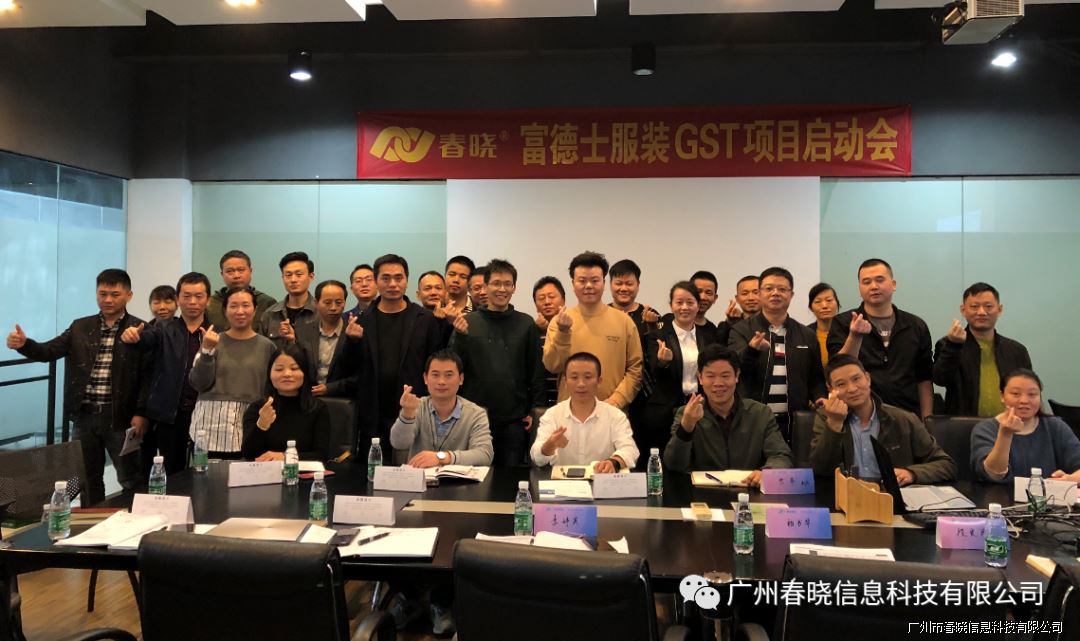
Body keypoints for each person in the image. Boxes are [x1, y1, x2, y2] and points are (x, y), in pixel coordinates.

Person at [7, 269, 150, 506]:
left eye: (115, 294)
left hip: (121, 416)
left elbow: (148, 376)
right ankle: (93, 523)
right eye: (103, 294)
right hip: (84, 415)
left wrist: (141, 413)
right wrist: (24, 345)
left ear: (129, 295)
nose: (108, 300)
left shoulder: (140, 329)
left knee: (130, 478)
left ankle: (135, 522)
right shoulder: (81, 326)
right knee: (88, 479)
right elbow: (49, 351)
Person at [341, 253, 444, 458]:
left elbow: (435, 365)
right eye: (386, 278)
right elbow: (348, 369)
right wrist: (351, 342)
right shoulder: (362, 320)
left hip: (413, 408)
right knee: (373, 470)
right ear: (376, 281)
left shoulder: (425, 319)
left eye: (399, 278)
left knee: (413, 468)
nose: (393, 284)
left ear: (407, 280)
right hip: (373, 412)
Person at [449, 259, 544, 466]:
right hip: (474, 418)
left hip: (514, 421)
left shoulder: (526, 323)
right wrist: (460, 337)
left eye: (508, 284)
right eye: (496, 283)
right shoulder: (468, 322)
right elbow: (453, 369)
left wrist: (535, 410)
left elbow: (536, 371)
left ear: (514, 287)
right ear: (485, 286)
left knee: (509, 479)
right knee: (473, 478)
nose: (502, 289)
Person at [810, 354, 956, 485]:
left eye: (856, 379)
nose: (852, 389)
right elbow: (820, 470)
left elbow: (946, 465)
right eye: (841, 384)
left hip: (891, 497)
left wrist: (911, 473)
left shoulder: (902, 419)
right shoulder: (827, 417)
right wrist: (835, 424)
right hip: (845, 498)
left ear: (868, 378)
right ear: (830, 389)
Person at [121, 272, 212, 477]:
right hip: (171, 415)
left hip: (206, 414)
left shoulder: (217, 332)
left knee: (205, 472)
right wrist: (133, 337)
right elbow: (146, 339)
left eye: (198, 296)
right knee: (172, 473)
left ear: (208, 299)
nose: (192, 302)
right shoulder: (162, 329)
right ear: (178, 299)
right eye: (186, 296)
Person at [664, 345, 793, 483]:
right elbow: (673, 465)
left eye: (725, 376)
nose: (718, 383)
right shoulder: (687, 413)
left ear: (736, 376)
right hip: (703, 492)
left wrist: (767, 473)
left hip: (749, 489)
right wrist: (687, 426)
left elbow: (781, 456)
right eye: (710, 376)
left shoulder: (760, 413)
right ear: (700, 378)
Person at [728, 267, 826, 444]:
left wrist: (820, 397)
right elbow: (734, 370)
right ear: (759, 293)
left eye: (782, 289)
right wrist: (752, 350)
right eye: (769, 288)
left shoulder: (807, 335)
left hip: (794, 422)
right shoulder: (741, 330)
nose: (775, 293)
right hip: (752, 421)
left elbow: (816, 378)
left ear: (791, 295)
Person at [827, 258, 934, 418]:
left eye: (879, 280)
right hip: (859, 416)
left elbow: (924, 379)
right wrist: (855, 336)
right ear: (860, 288)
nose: (874, 286)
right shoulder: (843, 323)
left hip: (907, 416)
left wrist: (926, 420)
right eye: (866, 282)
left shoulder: (915, 326)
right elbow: (837, 369)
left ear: (893, 284)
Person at [542, 251, 643, 411]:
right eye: (582, 280)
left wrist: (616, 401)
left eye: (595, 280)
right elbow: (552, 366)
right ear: (573, 284)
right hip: (568, 413)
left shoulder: (624, 321)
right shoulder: (559, 322)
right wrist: (563, 333)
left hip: (612, 413)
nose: (588, 286)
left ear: (604, 283)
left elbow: (635, 369)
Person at [189, 287, 277, 458]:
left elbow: (273, 387)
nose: (240, 311)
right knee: (207, 475)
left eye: (245, 305)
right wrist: (207, 350)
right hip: (209, 423)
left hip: (250, 421)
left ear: (255, 310)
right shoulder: (212, 340)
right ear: (225, 310)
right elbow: (198, 383)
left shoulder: (268, 347)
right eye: (234, 306)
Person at [933, 282, 1032, 417]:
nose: (981, 312)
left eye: (988, 306)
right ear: (963, 310)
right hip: (964, 424)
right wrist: (954, 346)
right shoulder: (948, 344)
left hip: (1010, 423)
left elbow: (1029, 388)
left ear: (999, 309)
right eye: (974, 306)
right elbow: (941, 379)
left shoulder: (1016, 350)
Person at [531, 352, 639, 471]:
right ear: (565, 382)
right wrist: (549, 445)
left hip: (601, 479)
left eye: (588, 377)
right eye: (574, 377)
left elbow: (630, 450)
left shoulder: (615, 416)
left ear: (599, 381)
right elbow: (537, 458)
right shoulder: (552, 415)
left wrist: (614, 462)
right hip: (563, 481)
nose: (581, 384)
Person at [971, 369, 1080, 484]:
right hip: (999, 494)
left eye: (1032, 394)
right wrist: (1005, 434)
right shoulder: (986, 429)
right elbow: (993, 474)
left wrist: (1070, 479)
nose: (1024, 400)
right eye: (1015, 394)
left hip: (1046, 494)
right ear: (1002, 396)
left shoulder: (1055, 426)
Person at [641, 281, 711, 457]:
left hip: (698, 408)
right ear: (671, 305)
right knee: (664, 460)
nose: (684, 307)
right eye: (679, 302)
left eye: (690, 302)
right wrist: (663, 362)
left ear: (698, 306)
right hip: (665, 412)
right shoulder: (658, 336)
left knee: (695, 458)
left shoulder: (707, 337)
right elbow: (654, 372)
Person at [390, 349, 494, 467]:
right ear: (425, 378)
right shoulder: (415, 407)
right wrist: (407, 414)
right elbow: (398, 444)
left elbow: (485, 454)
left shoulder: (476, 413)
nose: (441, 381)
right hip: (419, 477)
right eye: (435, 375)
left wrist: (443, 457)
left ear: (461, 379)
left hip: (458, 478)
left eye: (449, 375)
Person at [242, 344, 330, 462]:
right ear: (269, 374)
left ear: (305, 373)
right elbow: (248, 454)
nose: (287, 374)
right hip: (265, 472)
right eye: (279, 369)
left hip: (303, 472)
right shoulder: (258, 408)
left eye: (294, 368)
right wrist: (261, 425)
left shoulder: (318, 408)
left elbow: (321, 455)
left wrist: (285, 457)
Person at [290, 279, 356, 398]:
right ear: (316, 303)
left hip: (343, 400)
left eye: (339, 302)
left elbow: (360, 375)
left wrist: (330, 389)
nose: (333, 307)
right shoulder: (302, 331)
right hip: (307, 399)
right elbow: (296, 367)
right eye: (327, 302)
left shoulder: (353, 333)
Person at [206, 249, 277, 332]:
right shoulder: (211, 303)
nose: (236, 275)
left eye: (241, 270)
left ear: (250, 271)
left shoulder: (267, 303)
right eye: (230, 271)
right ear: (222, 274)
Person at [261, 251, 319, 346]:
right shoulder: (270, 315)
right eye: (288, 275)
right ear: (282, 278)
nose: (293, 280)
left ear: (311, 276)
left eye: (299, 274)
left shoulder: (321, 313)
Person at [533, 275, 566, 409]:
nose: (547, 302)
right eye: (541, 298)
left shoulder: (573, 328)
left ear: (563, 300)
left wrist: (550, 330)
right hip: (540, 402)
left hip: (567, 400)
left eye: (551, 297)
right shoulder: (532, 331)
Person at [664, 270, 719, 345]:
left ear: (715, 298)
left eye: (708, 293)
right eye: (699, 291)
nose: (702, 297)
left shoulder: (713, 331)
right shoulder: (668, 321)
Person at [807, 283, 839, 368]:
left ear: (837, 303)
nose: (824, 306)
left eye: (829, 300)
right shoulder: (805, 334)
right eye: (818, 302)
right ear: (811, 307)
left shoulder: (849, 331)